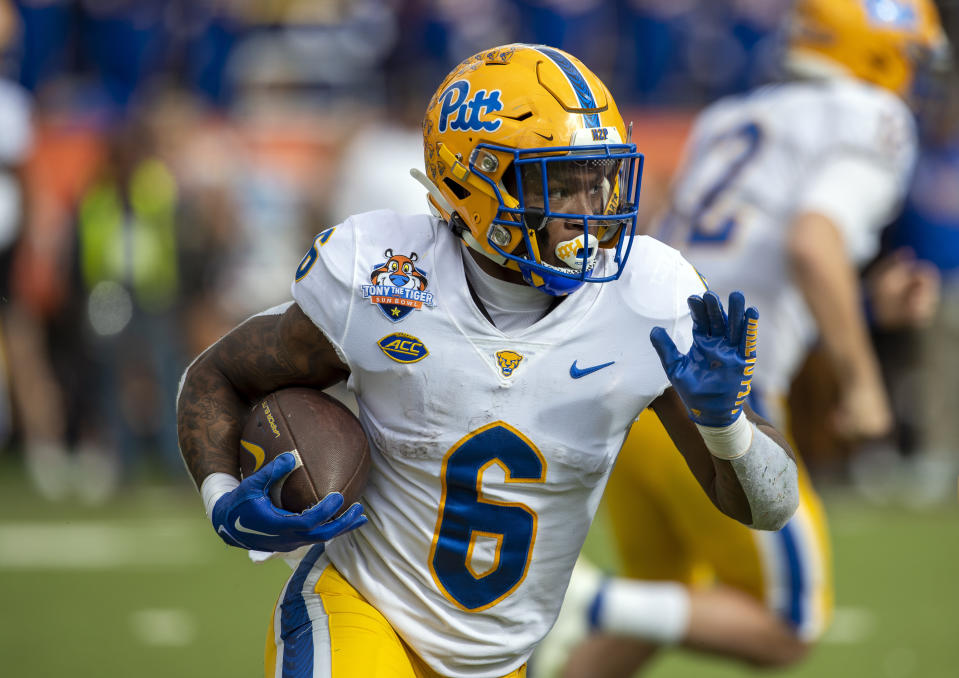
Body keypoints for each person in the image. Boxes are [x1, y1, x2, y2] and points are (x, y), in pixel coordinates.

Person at [176, 44, 800, 678]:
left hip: (503, 661)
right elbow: (217, 376)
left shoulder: (651, 297)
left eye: (599, 178)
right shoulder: (384, 275)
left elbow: (769, 509)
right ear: (468, 185)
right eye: (560, 183)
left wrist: (728, 428)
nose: (591, 212)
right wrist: (223, 497)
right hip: (363, 608)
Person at [531, 2, 949, 677]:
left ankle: (600, 608)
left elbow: (726, 269)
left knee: (667, 594)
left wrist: (865, 304)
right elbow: (813, 245)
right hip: (715, 403)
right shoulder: (870, 117)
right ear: (877, 51)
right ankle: (588, 600)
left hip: (631, 385)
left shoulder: (731, 116)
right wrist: (863, 383)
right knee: (788, 625)